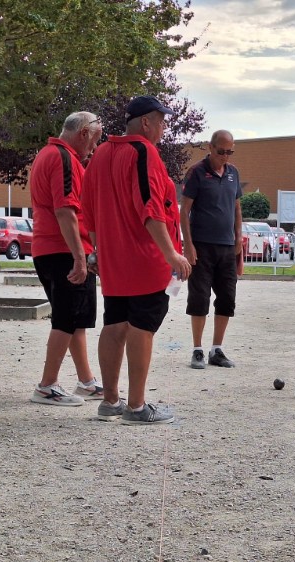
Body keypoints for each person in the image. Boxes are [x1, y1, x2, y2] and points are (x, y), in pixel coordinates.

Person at [80, 95, 191, 425]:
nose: (163, 127)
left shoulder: (100, 154)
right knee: (142, 327)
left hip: (114, 262)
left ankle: (110, 401)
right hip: (145, 260)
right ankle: (137, 406)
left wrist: (98, 250)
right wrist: (171, 252)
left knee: (114, 324)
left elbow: (90, 212)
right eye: (161, 121)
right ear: (146, 122)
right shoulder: (144, 152)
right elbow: (150, 207)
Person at [29, 111, 105, 407]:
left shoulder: (49, 155)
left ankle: (86, 381)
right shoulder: (63, 158)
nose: (94, 148)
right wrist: (80, 258)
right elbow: (65, 211)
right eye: (95, 140)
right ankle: (47, 385)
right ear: (84, 132)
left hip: (53, 249)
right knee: (65, 318)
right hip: (62, 250)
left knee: (75, 319)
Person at [180, 130, 243, 369]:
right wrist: (188, 245)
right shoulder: (197, 172)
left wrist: (239, 238)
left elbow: (237, 209)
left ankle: (217, 349)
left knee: (227, 298)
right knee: (200, 297)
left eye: (230, 152)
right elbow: (184, 211)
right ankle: (197, 349)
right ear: (210, 147)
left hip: (227, 247)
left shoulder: (233, 173)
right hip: (202, 246)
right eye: (221, 152)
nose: (224, 156)